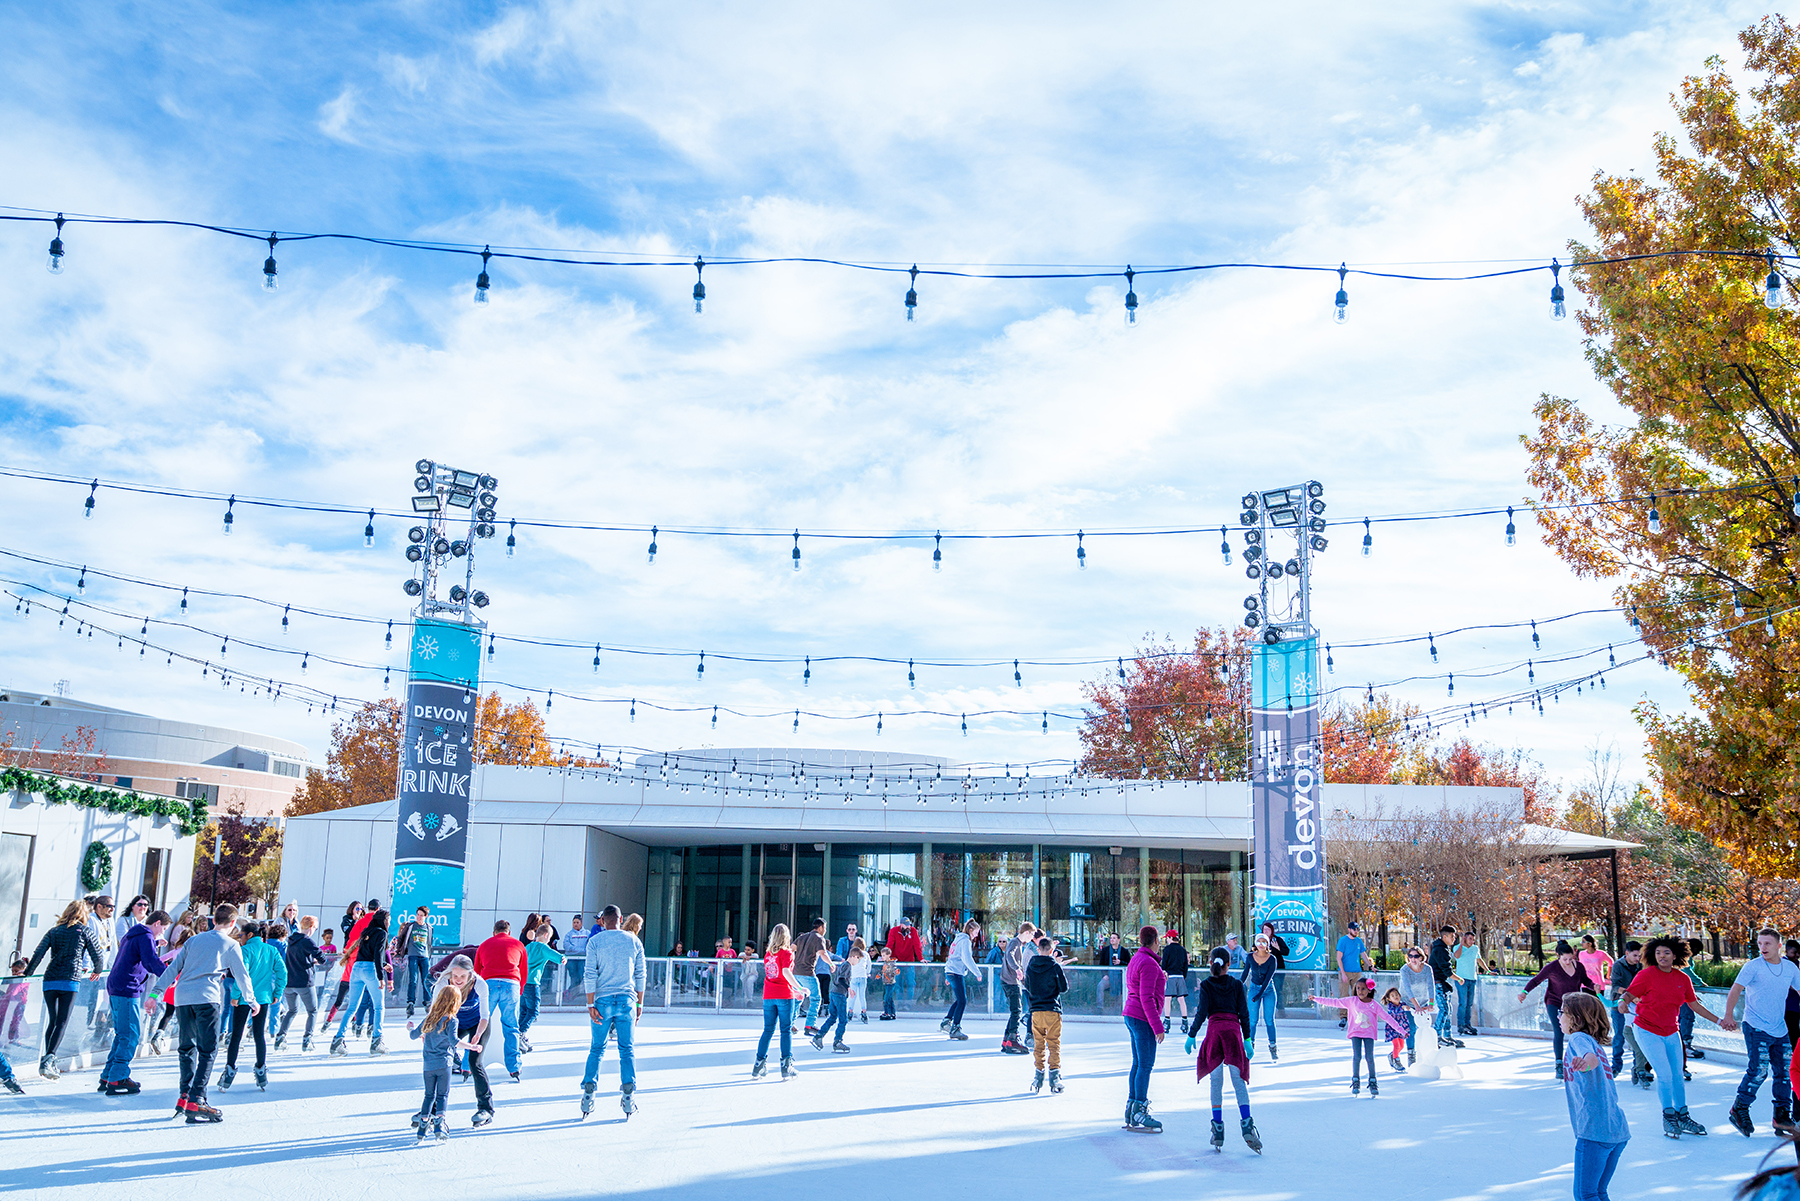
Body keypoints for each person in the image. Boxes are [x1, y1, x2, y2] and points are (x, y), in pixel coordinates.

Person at [152, 902, 257, 1123]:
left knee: (187, 1047)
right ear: (232, 923)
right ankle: (197, 1099)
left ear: (213, 920)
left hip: (183, 998)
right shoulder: (230, 944)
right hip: (207, 999)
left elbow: (174, 967)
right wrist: (251, 1000)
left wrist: (155, 993)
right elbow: (241, 974)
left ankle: (184, 1094)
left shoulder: (193, 940)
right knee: (208, 1050)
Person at [1622, 935, 1729, 1138]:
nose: (1662, 956)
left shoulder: (1682, 978)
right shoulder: (1647, 975)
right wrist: (1622, 1001)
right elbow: (1629, 994)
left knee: (1678, 1074)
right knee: (1664, 1075)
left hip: (1671, 1031)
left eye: (1667, 953)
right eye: (1658, 952)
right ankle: (1668, 1116)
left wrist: (1719, 1021)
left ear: (1675, 956)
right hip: (1647, 1029)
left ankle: (1682, 1114)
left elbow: (1694, 1005)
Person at [1724, 928, 1799, 1136]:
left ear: (1778, 946)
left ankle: (1782, 1115)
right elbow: (1735, 990)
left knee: (1784, 1073)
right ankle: (1739, 1108)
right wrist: (1729, 1015)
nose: (1763, 948)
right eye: (1760, 943)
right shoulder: (1753, 967)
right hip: (1756, 1025)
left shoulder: (1790, 968)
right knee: (1759, 1070)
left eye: (1767, 943)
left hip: (1779, 1028)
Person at [1186, 946, 1261, 1154]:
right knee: (1238, 1083)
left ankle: (1217, 1129)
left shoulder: (1207, 985)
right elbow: (1244, 1014)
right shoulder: (1237, 985)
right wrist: (1247, 1039)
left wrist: (1192, 1034)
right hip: (1233, 1034)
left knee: (1216, 1082)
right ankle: (1247, 1125)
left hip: (1215, 1034)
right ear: (1229, 964)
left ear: (1211, 963)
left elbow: (1202, 1013)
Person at [23, 899, 106, 1079]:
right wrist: (97, 971)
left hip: (50, 979)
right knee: (62, 1021)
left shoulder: (53, 931)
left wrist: (27, 973)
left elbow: (38, 954)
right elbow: (98, 956)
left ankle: (47, 1059)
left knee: (53, 1020)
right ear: (83, 914)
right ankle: (49, 1059)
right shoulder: (85, 931)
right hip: (70, 979)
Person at [1559, 992, 1631, 1201]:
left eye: (1562, 1012)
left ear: (1576, 1019)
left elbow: (1590, 1060)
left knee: (1585, 1194)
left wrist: (1585, 1063)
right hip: (1616, 1129)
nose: (1559, 1017)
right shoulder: (1593, 1043)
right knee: (1598, 1192)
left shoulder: (1578, 1038)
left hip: (1594, 1130)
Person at [582, 905, 646, 1117]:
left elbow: (590, 974)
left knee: (597, 1048)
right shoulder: (634, 941)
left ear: (603, 920)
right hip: (627, 1000)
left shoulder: (595, 942)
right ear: (620, 919)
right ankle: (628, 1097)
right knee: (626, 1049)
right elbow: (640, 974)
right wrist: (639, 1004)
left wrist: (590, 1004)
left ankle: (588, 1095)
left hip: (602, 1001)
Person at [100, 907, 170, 1095]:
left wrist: (155, 943)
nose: (162, 932)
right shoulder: (145, 935)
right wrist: (169, 977)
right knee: (130, 1034)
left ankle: (108, 1075)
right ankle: (118, 1078)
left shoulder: (134, 934)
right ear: (156, 924)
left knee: (122, 1033)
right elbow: (150, 961)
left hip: (117, 985)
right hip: (127, 988)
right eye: (163, 928)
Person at [1311, 976, 1409, 1096]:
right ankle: (1355, 1080)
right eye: (1358, 988)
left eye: (1363, 989)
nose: (1360, 991)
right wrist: (1316, 999)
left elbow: (1388, 1018)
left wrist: (1402, 1031)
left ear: (1369, 990)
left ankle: (1373, 1081)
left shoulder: (1374, 1005)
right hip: (1355, 1033)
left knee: (1369, 1057)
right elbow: (1334, 1002)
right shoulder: (1352, 1001)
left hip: (1368, 1034)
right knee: (1357, 1056)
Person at [221, 920, 286, 1090]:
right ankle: (261, 1069)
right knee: (259, 1035)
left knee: (236, 1034)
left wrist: (235, 996)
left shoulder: (245, 950)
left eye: (241, 935)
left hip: (243, 998)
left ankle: (229, 1070)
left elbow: (242, 976)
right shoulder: (271, 950)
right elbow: (282, 972)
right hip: (263, 998)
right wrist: (277, 992)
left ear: (249, 935)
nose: (239, 938)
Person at [1519, 940, 1600, 1077]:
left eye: (1570, 958)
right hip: (1554, 1002)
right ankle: (1558, 1063)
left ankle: (1581, 1060)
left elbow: (1585, 980)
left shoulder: (1579, 966)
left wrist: (1594, 986)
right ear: (1558, 955)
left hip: (1573, 1004)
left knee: (1578, 1031)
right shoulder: (1552, 967)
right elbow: (1536, 980)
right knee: (1559, 1030)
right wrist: (1524, 992)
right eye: (1564, 959)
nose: (1568, 961)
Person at [441, 954, 496, 1126]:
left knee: (475, 1062)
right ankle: (433, 1107)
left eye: (462, 976)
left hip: (477, 1023)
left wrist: (478, 1034)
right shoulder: (443, 983)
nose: (458, 980)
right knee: (441, 1061)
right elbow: (436, 1011)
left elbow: (485, 1016)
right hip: (453, 1022)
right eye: (455, 976)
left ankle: (485, 1107)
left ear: (470, 975)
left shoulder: (480, 984)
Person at [330, 908, 392, 1055]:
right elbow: (377, 955)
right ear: (384, 920)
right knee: (378, 1007)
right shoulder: (382, 933)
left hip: (357, 968)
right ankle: (377, 1040)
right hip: (370, 970)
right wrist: (381, 977)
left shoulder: (366, 932)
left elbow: (367, 954)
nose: (390, 922)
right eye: (389, 919)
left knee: (352, 1007)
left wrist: (384, 965)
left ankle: (338, 1039)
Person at [1123, 925, 1167, 1132]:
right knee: (1145, 1065)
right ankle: (1139, 1109)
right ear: (1155, 940)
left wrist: (1162, 979)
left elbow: (1141, 989)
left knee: (1138, 1063)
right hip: (1142, 1018)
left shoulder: (1137, 959)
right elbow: (1146, 997)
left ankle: (1132, 1107)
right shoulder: (1149, 963)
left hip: (1132, 1014)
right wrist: (1157, 1026)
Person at [407, 982, 464, 1143]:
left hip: (428, 1065)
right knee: (442, 1095)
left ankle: (423, 1125)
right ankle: (439, 1123)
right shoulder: (451, 1020)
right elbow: (454, 1041)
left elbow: (413, 1035)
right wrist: (471, 1046)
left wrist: (409, 1028)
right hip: (444, 1063)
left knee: (428, 1095)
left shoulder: (430, 1018)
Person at [471, 919, 526, 1080]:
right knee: (511, 1026)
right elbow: (523, 971)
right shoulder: (518, 945)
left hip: (489, 984)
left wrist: (477, 992)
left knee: (480, 1023)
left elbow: (476, 971)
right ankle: (514, 1067)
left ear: (494, 932)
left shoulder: (484, 945)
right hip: (511, 984)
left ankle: (468, 1065)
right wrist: (519, 990)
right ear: (508, 932)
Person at [753, 923, 803, 1079]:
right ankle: (786, 1065)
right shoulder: (786, 953)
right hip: (783, 996)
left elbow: (776, 976)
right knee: (785, 1030)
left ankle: (758, 1064)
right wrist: (800, 988)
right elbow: (786, 972)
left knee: (768, 1030)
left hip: (769, 995)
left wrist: (794, 991)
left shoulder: (768, 954)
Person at [1025, 934, 1069, 1094]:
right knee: (1054, 1044)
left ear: (1038, 950)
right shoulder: (1055, 966)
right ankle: (1055, 1076)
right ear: (1052, 950)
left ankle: (1038, 1076)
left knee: (1039, 1044)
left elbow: (1028, 985)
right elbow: (1064, 988)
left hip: (1036, 1011)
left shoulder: (1031, 966)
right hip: (1052, 1009)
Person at [277, 916, 326, 1051]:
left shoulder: (291, 939)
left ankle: (280, 1037)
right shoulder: (307, 941)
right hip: (304, 982)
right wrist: (314, 961)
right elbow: (322, 958)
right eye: (315, 928)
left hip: (289, 982)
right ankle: (307, 1039)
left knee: (292, 1010)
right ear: (311, 927)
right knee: (313, 1010)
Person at [1608, 941, 1651, 1086]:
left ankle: (1638, 1069)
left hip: (1636, 1007)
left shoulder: (1641, 965)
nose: (1638, 958)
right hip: (1619, 1005)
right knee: (1620, 1036)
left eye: (1640, 956)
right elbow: (1615, 986)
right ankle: (1615, 1067)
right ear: (1627, 954)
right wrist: (1629, 995)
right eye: (1635, 956)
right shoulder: (1618, 966)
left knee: (1638, 1037)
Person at [522, 922, 565, 1051]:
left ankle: (518, 1036)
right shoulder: (543, 947)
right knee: (534, 1011)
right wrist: (563, 958)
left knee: (524, 1010)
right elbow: (557, 957)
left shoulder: (529, 946)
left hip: (522, 982)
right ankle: (520, 1033)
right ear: (546, 935)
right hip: (533, 983)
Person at [1240, 934, 1281, 1060]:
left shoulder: (1272, 959)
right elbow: (1245, 973)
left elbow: (1268, 979)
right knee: (1252, 1020)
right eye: (1259, 941)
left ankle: (1273, 1046)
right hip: (1253, 988)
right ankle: (1249, 1047)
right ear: (1255, 943)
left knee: (1269, 1020)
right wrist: (1237, 986)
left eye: (1264, 942)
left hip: (1268, 990)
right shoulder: (1250, 957)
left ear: (1267, 944)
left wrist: (1260, 994)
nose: (1261, 944)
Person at [1397, 946, 1437, 1068]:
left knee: (1425, 1027)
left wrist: (1430, 1004)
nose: (1413, 959)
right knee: (1411, 1027)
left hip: (1423, 1001)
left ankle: (1425, 1053)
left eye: (1416, 956)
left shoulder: (1427, 969)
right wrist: (1415, 1006)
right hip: (1408, 1003)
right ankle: (1411, 1054)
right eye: (1410, 956)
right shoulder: (1405, 970)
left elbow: (1431, 986)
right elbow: (1407, 989)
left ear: (1421, 957)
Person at [942, 919, 981, 1041]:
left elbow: (952, 956)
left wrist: (948, 974)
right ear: (970, 930)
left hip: (951, 971)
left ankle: (947, 1020)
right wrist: (977, 972)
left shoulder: (958, 939)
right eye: (976, 932)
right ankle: (955, 1028)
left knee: (960, 999)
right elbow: (967, 958)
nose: (976, 935)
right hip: (955, 972)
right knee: (962, 1001)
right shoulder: (965, 941)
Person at [816, 944, 859, 1053]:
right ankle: (837, 1041)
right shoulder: (847, 965)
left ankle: (819, 1036)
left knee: (832, 1017)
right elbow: (841, 979)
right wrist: (848, 988)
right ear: (854, 957)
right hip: (839, 995)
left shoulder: (843, 964)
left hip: (834, 993)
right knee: (843, 1019)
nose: (857, 962)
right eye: (858, 959)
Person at [1000, 921, 1035, 1054]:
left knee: (1015, 1011)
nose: (1031, 938)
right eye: (1031, 935)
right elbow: (1009, 956)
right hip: (1011, 982)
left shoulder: (1017, 943)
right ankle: (1012, 1040)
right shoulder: (1015, 943)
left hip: (1011, 981)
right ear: (1026, 933)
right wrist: (1017, 969)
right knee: (1017, 1011)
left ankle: (1007, 1038)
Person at [1428, 925, 1466, 1048]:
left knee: (1448, 1010)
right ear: (1445, 936)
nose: (1454, 939)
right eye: (1452, 936)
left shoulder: (1442, 948)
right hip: (1438, 983)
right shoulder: (1440, 950)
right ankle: (1437, 1037)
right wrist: (1459, 979)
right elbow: (1447, 971)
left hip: (1442, 983)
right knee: (1444, 1009)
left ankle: (1447, 1035)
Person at [394, 907, 434, 1019]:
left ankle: (427, 1001)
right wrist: (400, 951)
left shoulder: (429, 928)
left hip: (424, 955)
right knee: (413, 979)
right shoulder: (411, 926)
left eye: (421, 915)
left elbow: (429, 942)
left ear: (426, 917)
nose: (419, 917)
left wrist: (429, 954)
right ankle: (410, 1002)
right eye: (418, 914)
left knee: (426, 979)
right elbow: (401, 938)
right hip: (413, 955)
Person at [793, 918, 828, 1036]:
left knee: (797, 999)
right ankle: (810, 1025)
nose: (825, 930)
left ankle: (790, 1024)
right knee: (816, 999)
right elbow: (823, 954)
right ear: (820, 927)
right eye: (825, 928)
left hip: (795, 973)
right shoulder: (819, 938)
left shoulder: (801, 937)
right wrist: (831, 964)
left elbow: (791, 949)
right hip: (808, 973)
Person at [1336, 921, 1370, 1028]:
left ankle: (1357, 1015)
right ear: (1349, 929)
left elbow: (1363, 955)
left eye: (1357, 930)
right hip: (1345, 972)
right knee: (1344, 995)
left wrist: (1371, 965)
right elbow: (1338, 957)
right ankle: (1343, 1017)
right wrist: (1343, 973)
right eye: (1354, 929)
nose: (1356, 931)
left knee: (1358, 994)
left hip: (1356, 972)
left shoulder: (1359, 941)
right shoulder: (1343, 941)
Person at [1455, 930, 1488, 1035]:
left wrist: (1487, 970)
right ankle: (1460, 1025)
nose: (1472, 941)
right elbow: (1457, 956)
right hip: (1461, 979)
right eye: (1470, 939)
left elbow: (1479, 960)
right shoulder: (1457, 947)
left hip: (1472, 979)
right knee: (1463, 1003)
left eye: (1473, 939)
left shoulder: (1475, 948)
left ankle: (1467, 1024)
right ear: (1464, 938)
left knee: (1469, 1003)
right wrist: (1461, 944)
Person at [1160, 930, 1191, 1035]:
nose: (1166, 940)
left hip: (1170, 976)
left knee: (1167, 999)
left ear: (1170, 938)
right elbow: (1185, 965)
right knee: (1181, 1000)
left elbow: (1164, 964)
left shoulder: (1167, 949)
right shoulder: (1183, 950)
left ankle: (1167, 1021)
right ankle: (1185, 1022)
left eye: (1167, 938)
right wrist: (1183, 976)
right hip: (1180, 976)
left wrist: (1164, 974)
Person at [1380, 986, 1414, 1073]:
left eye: (1397, 994)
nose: (1396, 996)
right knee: (1397, 1046)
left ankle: (1392, 1055)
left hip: (1401, 1029)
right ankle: (1396, 1061)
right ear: (1389, 999)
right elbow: (1396, 1012)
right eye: (1393, 995)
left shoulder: (1403, 1004)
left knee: (1402, 1046)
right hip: (1392, 1029)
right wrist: (1402, 1008)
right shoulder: (1391, 1007)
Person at [848, 936, 872, 1023]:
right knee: (862, 996)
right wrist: (867, 973)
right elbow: (869, 965)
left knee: (852, 996)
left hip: (854, 976)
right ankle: (864, 1012)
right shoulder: (865, 954)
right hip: (863, 976)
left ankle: (850, 1011)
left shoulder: (852, 953)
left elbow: (849, 964)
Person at [878, 946, 899, 1020]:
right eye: (882, 955)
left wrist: (896, 972)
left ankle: (887, 1012)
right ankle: (892, 1012)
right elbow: (883, 971)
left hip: (890, 983)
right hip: (886, 983)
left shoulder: (892, 963)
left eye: (884, 955)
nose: (882, 957)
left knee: (886, 998)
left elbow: (895, 970)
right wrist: (879, 975)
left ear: (888, 955)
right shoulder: (885, 964)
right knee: (889, 998)